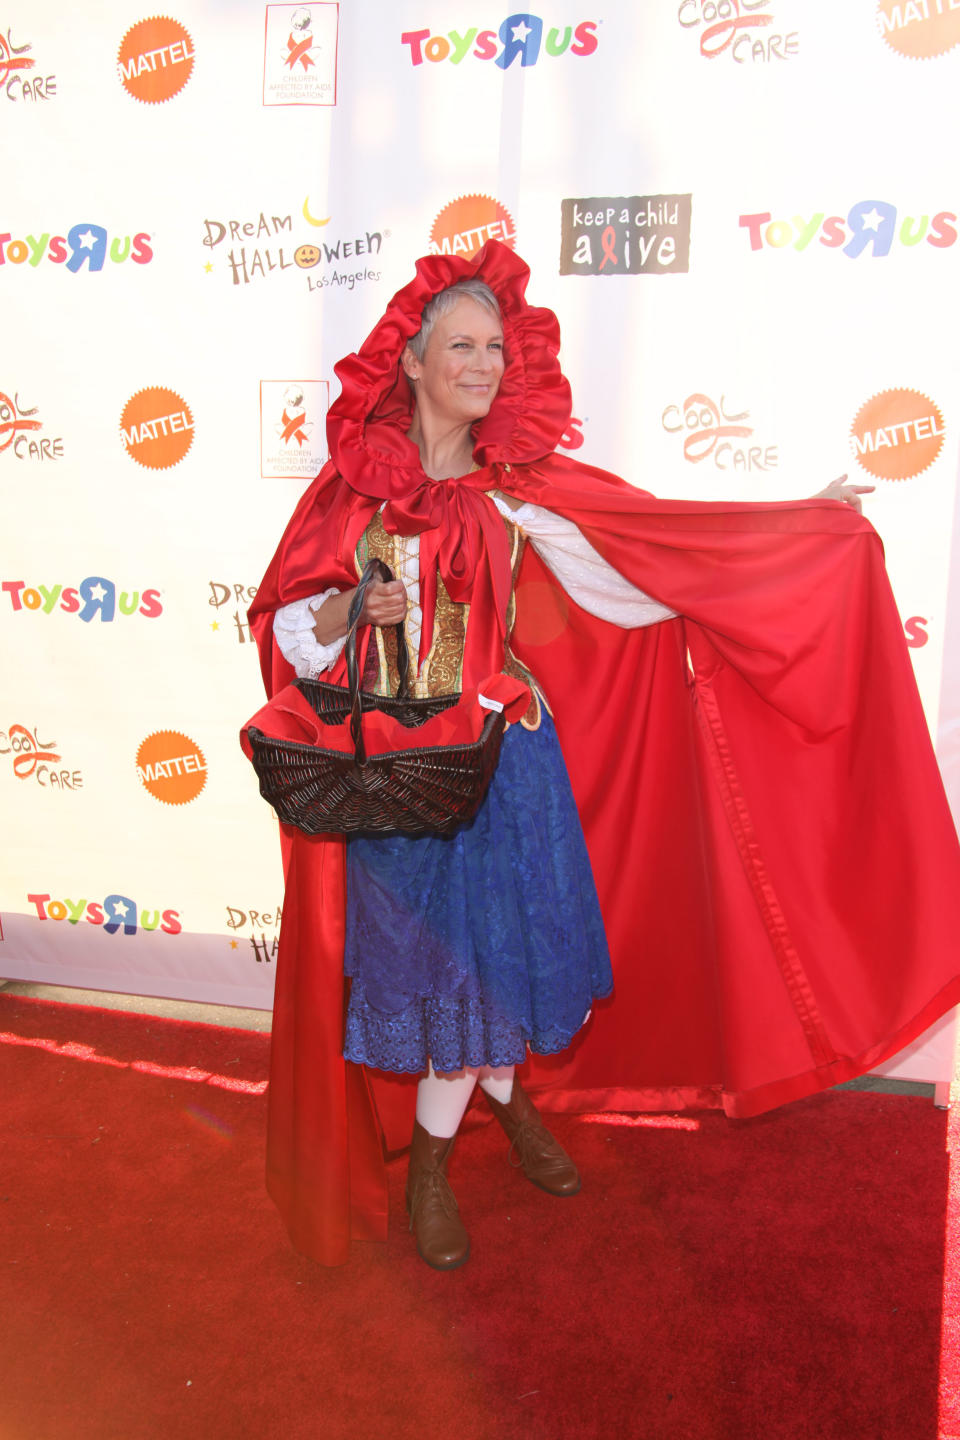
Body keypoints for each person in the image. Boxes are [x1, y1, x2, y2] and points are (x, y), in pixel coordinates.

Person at [247, 240, 960, 1270]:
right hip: (396, 781)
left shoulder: (519, 486)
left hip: (500, 767)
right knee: (440, 972)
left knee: (496, 964)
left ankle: (452, 1155)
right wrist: (353, 606)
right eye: (462, 344)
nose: (485, 364)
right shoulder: (353, 491)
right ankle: (482, 1128)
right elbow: (290, 633)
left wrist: (804, 524)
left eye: (496, 344)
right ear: (409, 357)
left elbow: (647, 563)